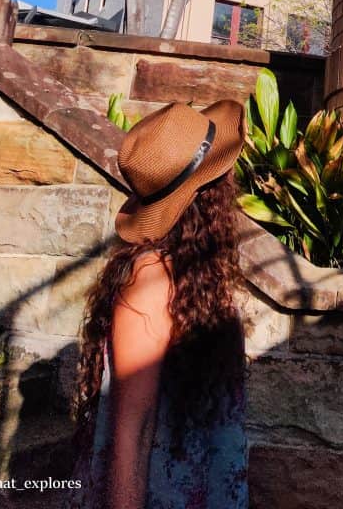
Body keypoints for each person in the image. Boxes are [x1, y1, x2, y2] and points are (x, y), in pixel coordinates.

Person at [71, 99, 249, 509]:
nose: (232, 181)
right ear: (206, 194)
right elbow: (133, 428)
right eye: (222, 173)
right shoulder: (150, 279)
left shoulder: (195, 270)